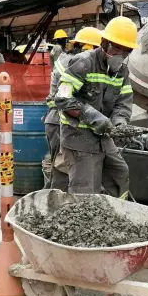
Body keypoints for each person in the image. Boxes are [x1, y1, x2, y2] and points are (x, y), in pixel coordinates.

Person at [55, 17, 137, 196]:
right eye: (115, 48)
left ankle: (112, 216)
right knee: (86, 190)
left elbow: (123, 103)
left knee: (119, 174)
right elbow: (62, 99)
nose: (119, 55)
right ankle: (83, 221)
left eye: (125, 52)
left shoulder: (122, 71)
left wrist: (120, 123)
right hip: (78, 137)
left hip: (103, 136)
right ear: (104, 43)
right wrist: (92, 116)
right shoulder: (83, 63)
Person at [44, 26, 103, 191]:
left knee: (64, 167)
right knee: (62, 169)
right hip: (59, 120)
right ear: (88, 48)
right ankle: (53, 205)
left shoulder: (68, 59)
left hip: (58, 119)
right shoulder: (74, 62)